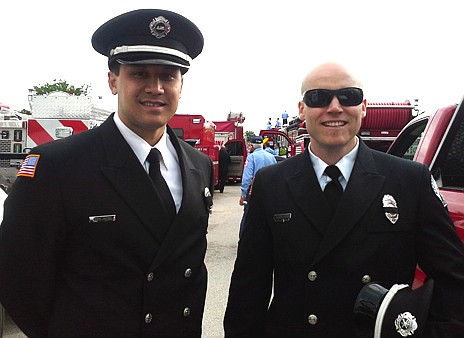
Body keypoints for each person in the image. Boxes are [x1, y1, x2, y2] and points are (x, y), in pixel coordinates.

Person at [0, 9, 214, 338]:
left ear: (181, 84)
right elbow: (17, 277)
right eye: (140, 74)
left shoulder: (198, 165)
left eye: (168, 76)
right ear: (113, 81)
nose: (155, 87)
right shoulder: (57, 166)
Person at [224, 61, 464, 337]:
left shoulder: (410, 181)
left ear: (363, 107)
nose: (335, 107)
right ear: (302, 109)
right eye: (319, 98)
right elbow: (248, 290)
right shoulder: (271, 184)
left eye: (348, 96)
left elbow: (453, 281)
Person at [238, 136, 276, 237]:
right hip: (269, 192)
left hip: (254, 192)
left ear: (253, 146)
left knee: (248, 216)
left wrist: (243, 195)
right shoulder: (271, 157)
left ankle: (244, 239)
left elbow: (247, 178)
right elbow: (276, 174)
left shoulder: (251, 157)